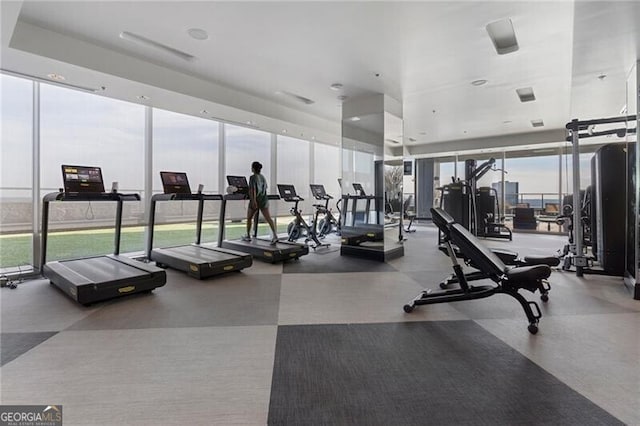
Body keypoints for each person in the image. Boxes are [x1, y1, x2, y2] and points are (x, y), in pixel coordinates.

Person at [242, 161, 279, 245]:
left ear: (253, 168)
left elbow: (253, 190)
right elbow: (264, 188)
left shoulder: (252, 177)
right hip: (264, 199)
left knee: (249, 218)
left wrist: (254, 201)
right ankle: (275, 236)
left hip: (256, 200)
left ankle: (248, 235)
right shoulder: (263, 177)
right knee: (268, 218)